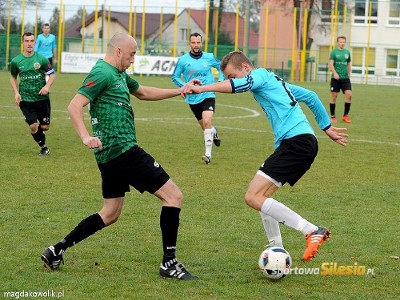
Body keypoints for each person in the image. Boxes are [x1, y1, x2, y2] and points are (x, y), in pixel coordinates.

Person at [41, 33, 198, 280]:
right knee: (174, 196)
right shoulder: (103, 73)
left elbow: (144, 92)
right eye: (132, 53)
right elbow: (74, 105)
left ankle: (56, 250)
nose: (133, 59)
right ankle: (169, 263)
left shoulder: (119, 74)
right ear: (118, 51)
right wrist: (85, 137)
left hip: (109, 156)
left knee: (110, 213)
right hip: (124, 150)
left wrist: (180, 91)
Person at [184, 51, 348, 261]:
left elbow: (237, 87)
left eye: (231, 76)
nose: (229, 81)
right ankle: (276, 248)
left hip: (296, 143)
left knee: (253, 197)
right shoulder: (272, 81)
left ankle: (312, 230)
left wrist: (202, 88)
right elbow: (310, 96)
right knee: (261, 197)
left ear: (245, 68)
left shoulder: (260, 75)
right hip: (299, 143)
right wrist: (326, 127)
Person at [171, 32, 225, 164]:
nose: (196, 45)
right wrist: (185, 86)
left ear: (201, 43)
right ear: (190, 43)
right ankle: (214, 131)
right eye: (193, 42)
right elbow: (175, 77)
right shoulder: (183, 60)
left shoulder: (209, 57)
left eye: (198, 42)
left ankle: (208, 155)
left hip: (208, 94)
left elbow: (221, 67)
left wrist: (220, 81)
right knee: (205, 126)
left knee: (207, 122)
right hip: (192, 98)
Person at [10, 32, 55, 156]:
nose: (29, 44)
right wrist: (16, 93)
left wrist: (46, 86)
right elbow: (13, 78)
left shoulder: (42, 59)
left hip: (42, 98)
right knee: (33, 125)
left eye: (31, 41)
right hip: (26, 99)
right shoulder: (16, 61)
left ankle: (40, 133)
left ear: (35, 42)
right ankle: (43, 147)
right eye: (27, 41)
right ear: (23, 43)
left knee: (45, 127)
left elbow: (52, 74)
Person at [329, 36, 352, 123]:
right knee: (334, 97)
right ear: (337, 43)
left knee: (349, 94)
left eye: (343, 42)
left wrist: (349, 74)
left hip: (345, 78)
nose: (342, 43)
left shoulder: (347, 52)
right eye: (341, 42)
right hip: (335, 79)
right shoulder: (334, 52)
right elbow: (331, 64)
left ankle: (345, 116)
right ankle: (333, 116)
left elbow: (348, 64)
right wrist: (334, 73)